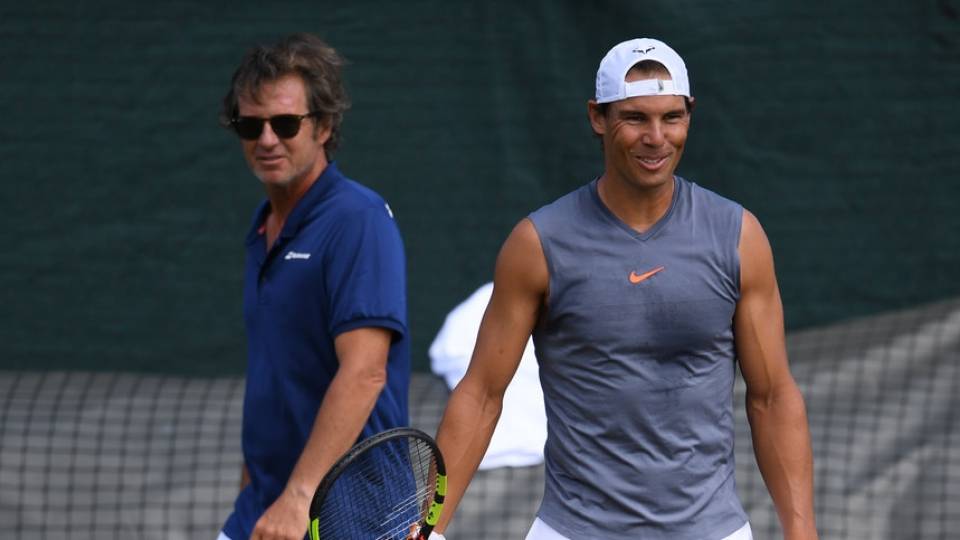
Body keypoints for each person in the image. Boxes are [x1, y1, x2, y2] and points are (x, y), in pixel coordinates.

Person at [432, 38, 818, 540]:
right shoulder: (537, 244)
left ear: (690, 115)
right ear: (598, 117)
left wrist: (802, 530)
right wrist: (429, 529)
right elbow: (481, 393)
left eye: (671, 117)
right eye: (635, 118)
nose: (656, 137)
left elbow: (771, 397)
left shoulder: (739, 236)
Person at [217, 33, 410, 540]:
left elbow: (366, 372)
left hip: (352, 515)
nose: (266, 140)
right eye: (249, 124)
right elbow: (278, 372)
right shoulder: (264, 228)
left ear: (323, 126)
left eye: (284, 124)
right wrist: (255, 486)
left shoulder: (357, 219)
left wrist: (299, 496)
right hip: (265, 507)